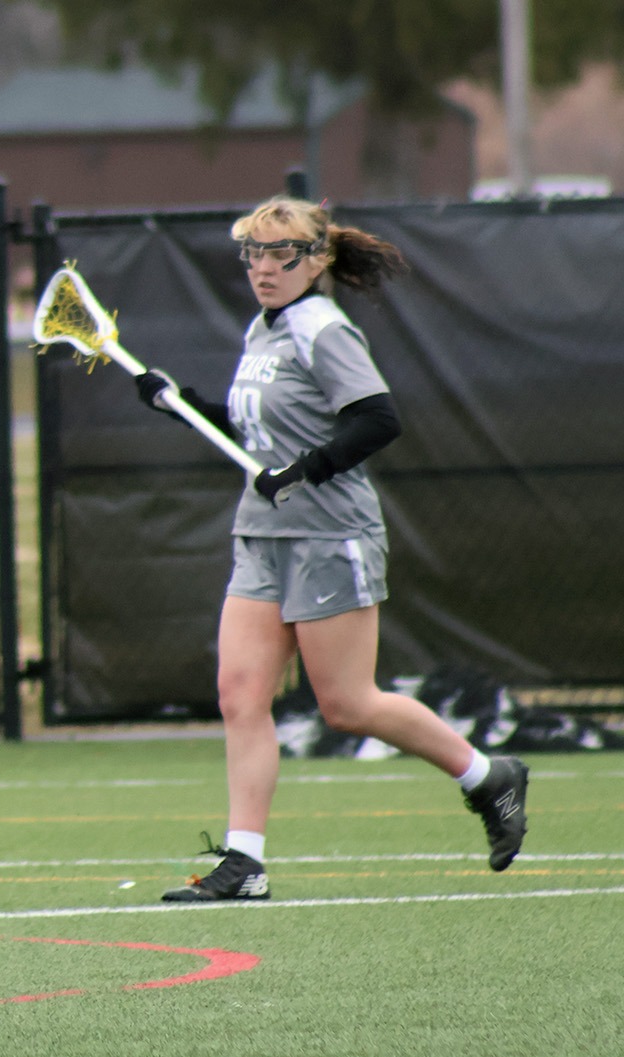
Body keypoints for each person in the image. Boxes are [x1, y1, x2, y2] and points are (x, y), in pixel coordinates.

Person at [133, 195, 528, 903]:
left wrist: (307, 469)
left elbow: (377, 419)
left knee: (347, 705)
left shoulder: (323, 330)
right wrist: (181, 402)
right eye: (253, 252)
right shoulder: (264, 329)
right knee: (240, 694)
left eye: (280, 254)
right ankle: (244, 863)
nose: (263, 267)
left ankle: (487, 777)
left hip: (328, 535)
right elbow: (256, 429)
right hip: (261, 534)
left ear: (316, 261)